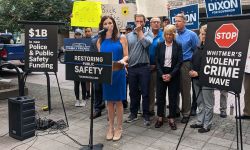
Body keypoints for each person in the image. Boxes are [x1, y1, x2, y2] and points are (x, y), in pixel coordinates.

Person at [96, 16, 128, 141]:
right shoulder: (99, 40)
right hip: (106, 74)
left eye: (110, 23)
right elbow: (100, 58)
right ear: (102, 26)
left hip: (118, 72)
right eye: (105, 23)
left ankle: (119, 127)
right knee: (109, 102)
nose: (108, 25)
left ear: (114, 24)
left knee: (119, 102)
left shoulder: (122, 38)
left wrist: (121, 61)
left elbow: (127, 56)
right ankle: (110, 127)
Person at [126, 14, 153, 126]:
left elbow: (146, 44)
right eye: (137, 21)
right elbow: (126, 51)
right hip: (132, 68)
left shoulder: (148, 33)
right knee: (133, 92)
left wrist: (140, 32)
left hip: (144, 67)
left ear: (144, 22)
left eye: (141, 21)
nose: (139, 23)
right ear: (134, 21)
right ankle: (133, 113)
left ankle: (146, 115)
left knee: (145, 93)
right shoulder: (128, 35)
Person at [155, 25, 182, 130]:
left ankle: (171, 119)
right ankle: (160, 118)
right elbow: (157, 61)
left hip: (173, 74)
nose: (169, 36)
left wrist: (171, 75)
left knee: (173, 97)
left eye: (171, 34)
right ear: (164, 35)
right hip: (161, 73)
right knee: (160, 97)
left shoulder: (178, 45)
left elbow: (180, 62)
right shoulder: (159, 45)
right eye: (166, 34)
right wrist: (162, 74)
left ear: (174, 35)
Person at [189, 24, 215, 133]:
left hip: (206, 79)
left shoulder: (212, 49)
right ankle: (200, 121)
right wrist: (190, 70)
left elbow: (210, 66)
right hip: (195, 79)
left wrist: (198, 73)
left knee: (208, 103)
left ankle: (207, 124)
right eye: (201, 33)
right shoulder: (198, 46)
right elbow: (193, 60)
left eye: (204, 34)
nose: (202, 36)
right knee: (200, 102)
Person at [174, 13, 199, 123]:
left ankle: (186, 113)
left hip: (186, 64)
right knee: (175, 89)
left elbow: (196, 51)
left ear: (184, 22)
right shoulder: (174, 34)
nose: (176, 23)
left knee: (185, 90)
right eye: (175, 21)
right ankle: (175, 110)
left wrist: (193, 67)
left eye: (179, 21)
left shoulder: (192, 35)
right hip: (174, 65)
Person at [148, 17, 164, 116]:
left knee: (160, 91)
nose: (156, 24)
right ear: (150, 23)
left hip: (160, 68)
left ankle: (161, 112)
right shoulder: (146, 35)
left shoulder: (163, 35)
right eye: (154, 22)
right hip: (148, 67)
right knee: (150, 90)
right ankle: (150, 109)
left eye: (158, 22)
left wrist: (156, 65)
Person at [89, 34, 105, 119]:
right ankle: (97, 109)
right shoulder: (94, 40)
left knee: (109, 89)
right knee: (97, 88)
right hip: (98, 68)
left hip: (110, 67)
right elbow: (91, 55)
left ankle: (112, 111)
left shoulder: (114, 38)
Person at [73, 28, 87, 107]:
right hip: (75, 66)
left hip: (83, 66)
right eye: (76, 34)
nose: (78, 36)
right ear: (75, 35)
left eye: (79, 34)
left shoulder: (85, 43)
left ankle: (84, 99)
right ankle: (77, 99)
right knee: (76, 84)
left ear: (82, 35)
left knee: (83, 83)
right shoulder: (71, 43)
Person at [84, 27, 93, 100]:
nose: (87, 32)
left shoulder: (94, 40)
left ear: (91, 32)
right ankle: (88, 93)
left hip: (93, 61)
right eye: (86, 31)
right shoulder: (83, 40)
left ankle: (94, 93)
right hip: (85, 62)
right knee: (87, 79)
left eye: (89, 31)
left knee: (94, 79)